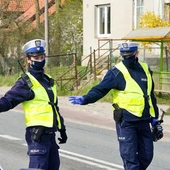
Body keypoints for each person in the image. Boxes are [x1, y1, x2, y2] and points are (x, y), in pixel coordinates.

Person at [68, 42, 163, 170]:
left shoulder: (145, 69)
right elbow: (100, 89)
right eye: (123, 56)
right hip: (126, 122)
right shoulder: (117, 72)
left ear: (136, 53)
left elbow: (150, 95)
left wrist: (155, 119)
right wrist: (85, 98)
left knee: (147, 156)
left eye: (129, 55)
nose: (126, 58)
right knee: (131, 161)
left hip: (144, 121)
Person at [0, 39, 67, 170]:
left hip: (51, 136)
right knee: (38, 168)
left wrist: (62, 129)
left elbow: (53, 107)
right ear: (28, 59)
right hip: (37, 135)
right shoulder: (25, 83)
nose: (40, 60)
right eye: (36, 57)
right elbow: (7, 101)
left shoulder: (48, 80)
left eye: (42, 57)